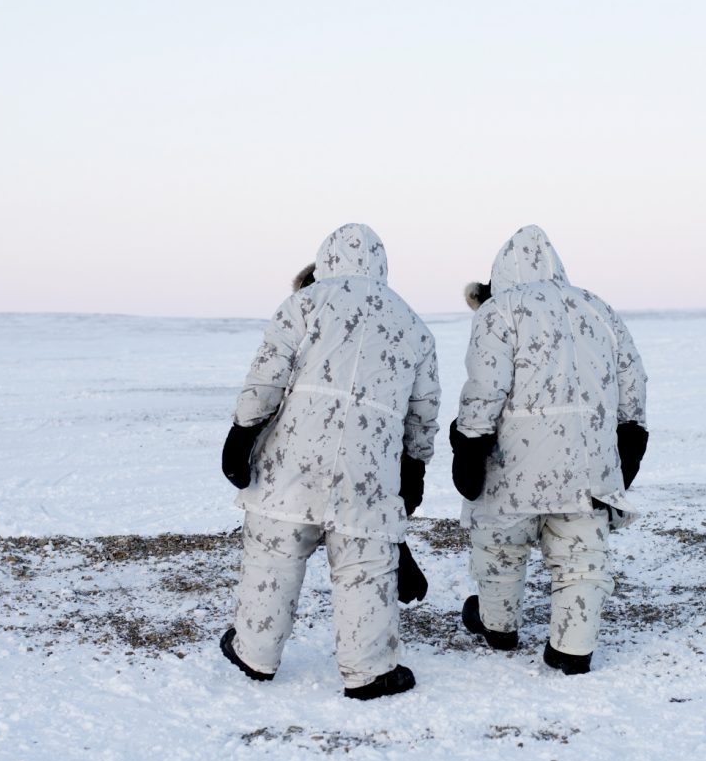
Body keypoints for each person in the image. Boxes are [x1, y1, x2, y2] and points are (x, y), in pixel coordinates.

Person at [219, 223, 440, 700]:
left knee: (273, 554)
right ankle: (369, 671)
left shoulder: (304, 302)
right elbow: (423, 413)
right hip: (369, 470)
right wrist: (414, 466)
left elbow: (268, 375)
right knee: (365, 566)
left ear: (325, 261)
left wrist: (242, 433)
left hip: (292, 461)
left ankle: (254, 654)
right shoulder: (413, 326)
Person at [451, 225, 648, 675]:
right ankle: (571, 650)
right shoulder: (598, 309)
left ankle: (498, 626)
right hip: (587, 462)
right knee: (581, 557)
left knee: (500, 544)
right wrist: (630, 438)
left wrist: (470, 443)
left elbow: (485, 386)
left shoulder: (499, 310)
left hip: (513, 462)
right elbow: (633, 382)